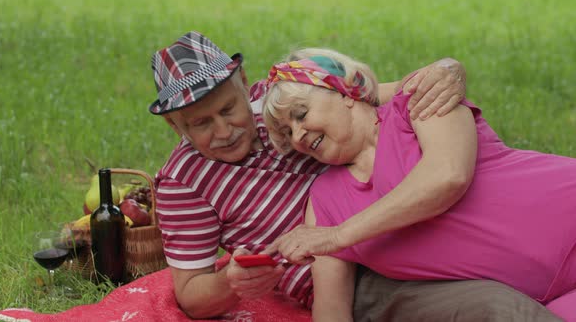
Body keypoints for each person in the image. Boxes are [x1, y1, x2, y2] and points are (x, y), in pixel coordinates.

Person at [148, 31, 560, 321]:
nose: (223, 131)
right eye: (199, 124)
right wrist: (233, 282)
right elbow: (191, 297)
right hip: (359, 278)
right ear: (174, 127)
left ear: (242, 84)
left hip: (399, 226)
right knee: (495, 306)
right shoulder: (182, 182)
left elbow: (355, 91)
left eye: (227, 110)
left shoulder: (275, 100)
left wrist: (446, 70)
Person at [261, 48, 575, 321]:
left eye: (301, 115)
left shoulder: (416, 104)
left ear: (343, 92)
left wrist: (340, 235)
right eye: (287, 133)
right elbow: (332, 312)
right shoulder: (326, 201)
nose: (298, 135)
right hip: (546, 298)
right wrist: (332, 237)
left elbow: (447, 177)